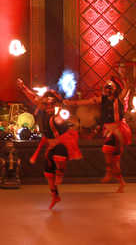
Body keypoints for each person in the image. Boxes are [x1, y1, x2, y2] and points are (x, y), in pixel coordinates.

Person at [18, 79, 82, 209]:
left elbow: (62, 117)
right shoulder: (42, 109)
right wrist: (23, 87)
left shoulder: (60, 113)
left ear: (56, 104)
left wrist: (61, 116)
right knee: (48, 172)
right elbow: (33, 98)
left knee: (59, 156)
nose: (49, 107)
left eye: (51, 105)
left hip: (63, 143)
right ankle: (55, 195)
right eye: (46, 105)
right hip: (50, 144)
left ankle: (60, 172)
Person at [66, 76, 132, 192]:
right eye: (106, 88)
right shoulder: (102, 99)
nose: (108, 90)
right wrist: (71, 103)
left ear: (115, 89)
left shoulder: (119, 99)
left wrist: (122, 76)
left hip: (118, 130)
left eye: (110, 88)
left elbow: (127, 87)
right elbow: (86, 102)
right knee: (113, 158)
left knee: (109, 151)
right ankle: (120, 180)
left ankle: (110, 173)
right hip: (108, 130)